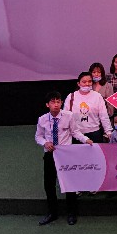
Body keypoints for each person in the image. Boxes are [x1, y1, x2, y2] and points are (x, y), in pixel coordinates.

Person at [36, 91, 92, 226]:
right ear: (47, 105)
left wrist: (86, 140)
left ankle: (71, 213)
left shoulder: (68, 116)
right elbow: (38, 136)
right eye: (53, 102)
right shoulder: (42, 119)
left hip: (66, 154)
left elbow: (75, 132)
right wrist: (45, 143)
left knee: (69, 184)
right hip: (50, 154)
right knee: (49, 184)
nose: (56, 105)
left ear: (61, 103)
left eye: (58, 102)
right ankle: (52, 213)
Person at [64, 72, 112, 143]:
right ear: (78, 83)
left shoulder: (97, 96)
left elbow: (103, 115)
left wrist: (108, 131)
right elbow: (65, 116)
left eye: (89, 81)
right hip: (76, 134)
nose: (87, 84)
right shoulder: (71, 96)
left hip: (95, 133)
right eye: (84, 82)